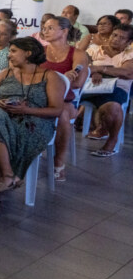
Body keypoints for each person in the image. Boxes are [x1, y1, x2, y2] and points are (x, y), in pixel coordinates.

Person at [0, 37, 65, 216]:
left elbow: (56, 110)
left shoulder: (49, 76)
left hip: (35, 121)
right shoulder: (5, 74)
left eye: (14, 51)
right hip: (2, 117)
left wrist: (26, 109)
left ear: (28, 53)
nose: (9, 55)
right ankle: (8, 175)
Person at [41, 17, 89, 180]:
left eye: (50, 28)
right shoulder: (40, 51)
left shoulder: (78, 54)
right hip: (40, 96)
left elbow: (77, 84)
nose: (45, 31)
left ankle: (59, 161)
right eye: (44, 28)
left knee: (61, 113)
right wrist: (61, 77)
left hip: (67, 99)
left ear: (64, 31)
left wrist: (57, 79)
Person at [83, 24, 133, 157]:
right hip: (89, 86)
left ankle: (112, 141)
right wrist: (92, 73)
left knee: (113, 107)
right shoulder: (94, 50)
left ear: (129, 42)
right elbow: (83, 66)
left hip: (115, 89)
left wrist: (100, 69)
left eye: (122, 38)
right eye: (114, 35)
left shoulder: (129, 54)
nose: (115, 39)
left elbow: (127, 72)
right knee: (64, 101)